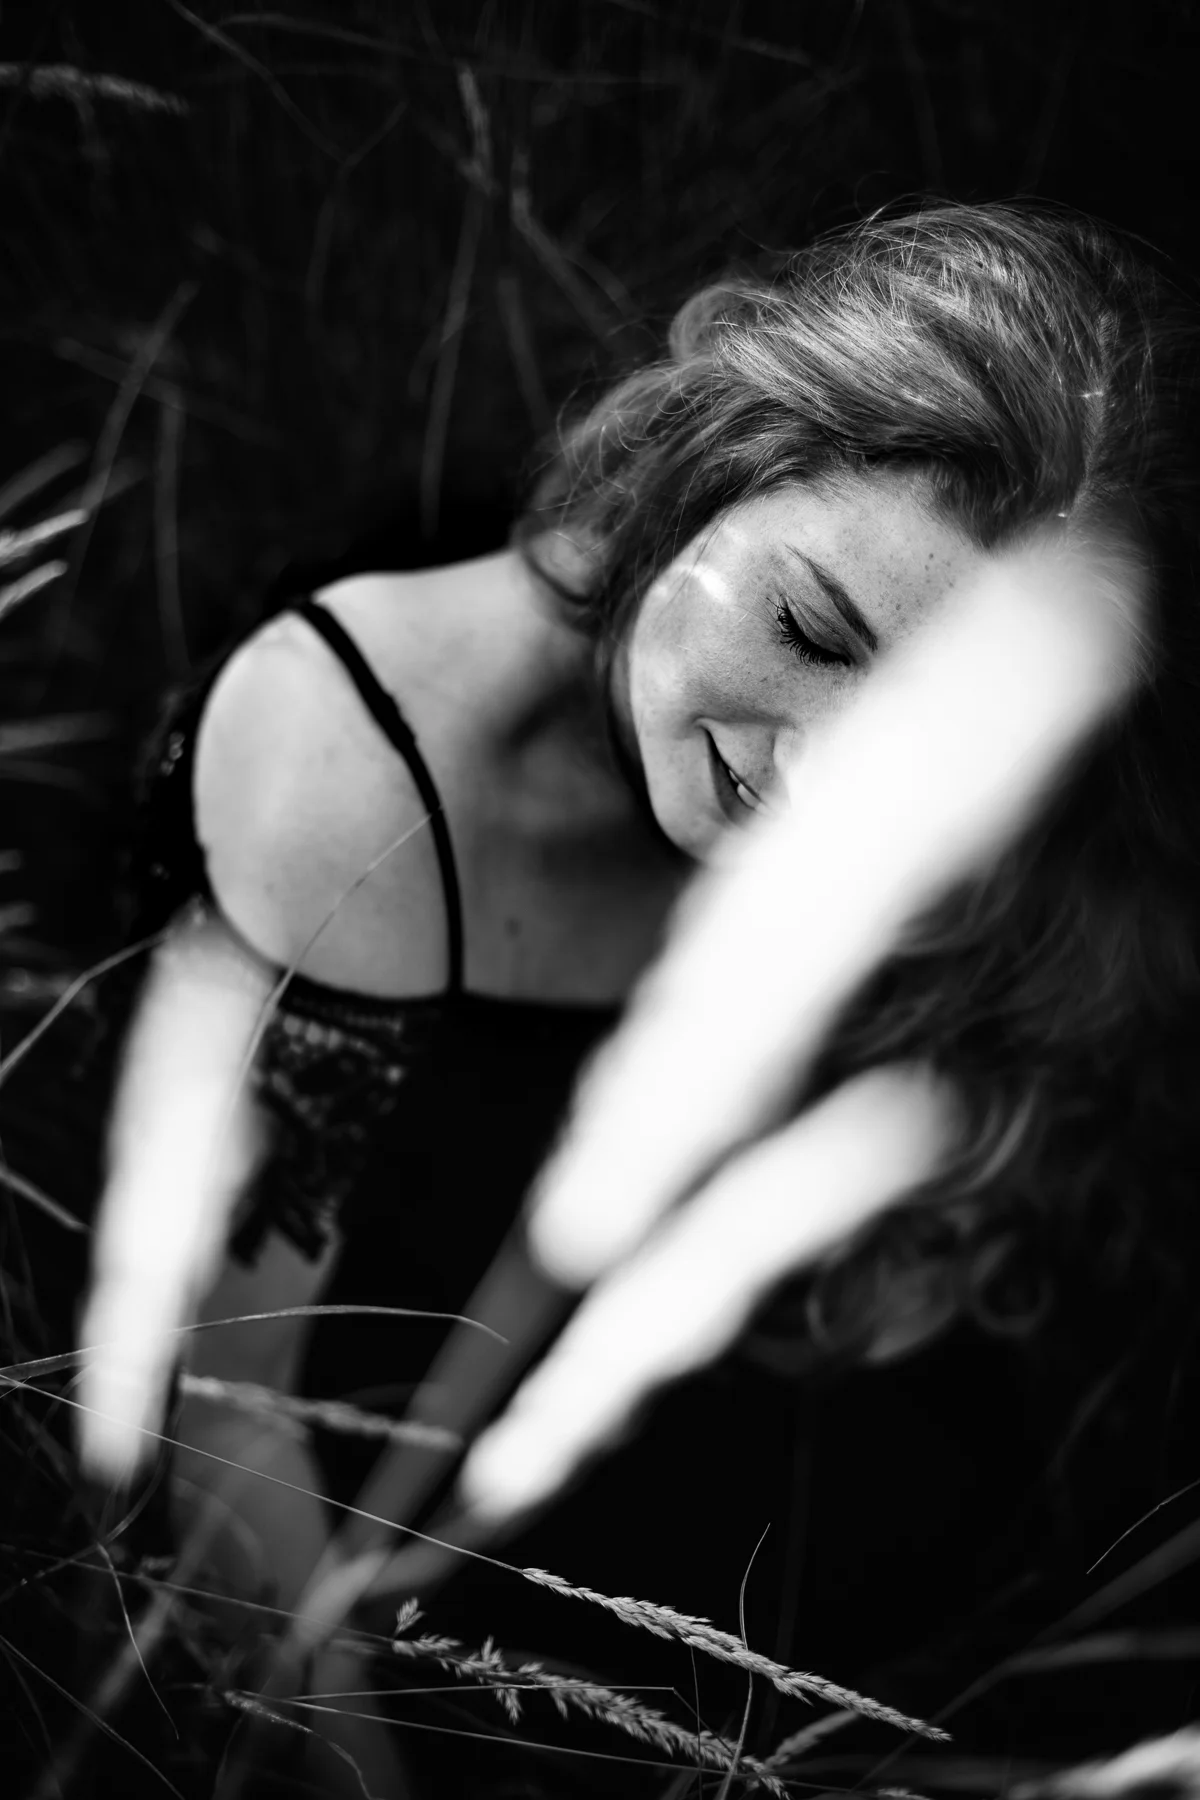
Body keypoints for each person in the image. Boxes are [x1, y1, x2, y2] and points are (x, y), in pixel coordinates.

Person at [79, 199, 1200, 1796]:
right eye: (811, 630)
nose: (817, 790)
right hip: (419, 1497)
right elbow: (224, 1413)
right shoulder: (349, 781)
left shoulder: (989, 852)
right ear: (712, 458)